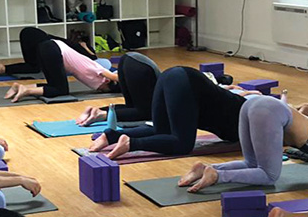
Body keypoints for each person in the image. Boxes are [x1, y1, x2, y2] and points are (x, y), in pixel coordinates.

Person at [89, 66, 249, 159]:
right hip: (185, 82)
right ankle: (131, 144)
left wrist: (245, 92)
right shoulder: (252, 119)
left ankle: (111, 136)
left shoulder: (247, 110)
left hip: (173, 75)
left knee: (163, 131)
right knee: (182, 144)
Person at [179, 96, 308, 192]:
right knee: (269, 176)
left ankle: (205, 169)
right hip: (268, 110)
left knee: (251, 164)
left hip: (253, 104)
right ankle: (217, 176)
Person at [0, 28, 120, 103]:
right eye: (103, 89)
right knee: (61, 90)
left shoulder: (98, 80)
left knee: (54, 86)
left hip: (49, 48)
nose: (100, 90)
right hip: (53, 50)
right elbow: (117, 77)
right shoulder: (100, 71)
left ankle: (20, 87)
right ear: (107, 81)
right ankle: (27, 90)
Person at [75, 52, 162, 126]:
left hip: (128, 59)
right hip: (138, 65)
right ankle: (103, 114)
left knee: (133, 108)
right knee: (146, 113)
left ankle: (94, 111)